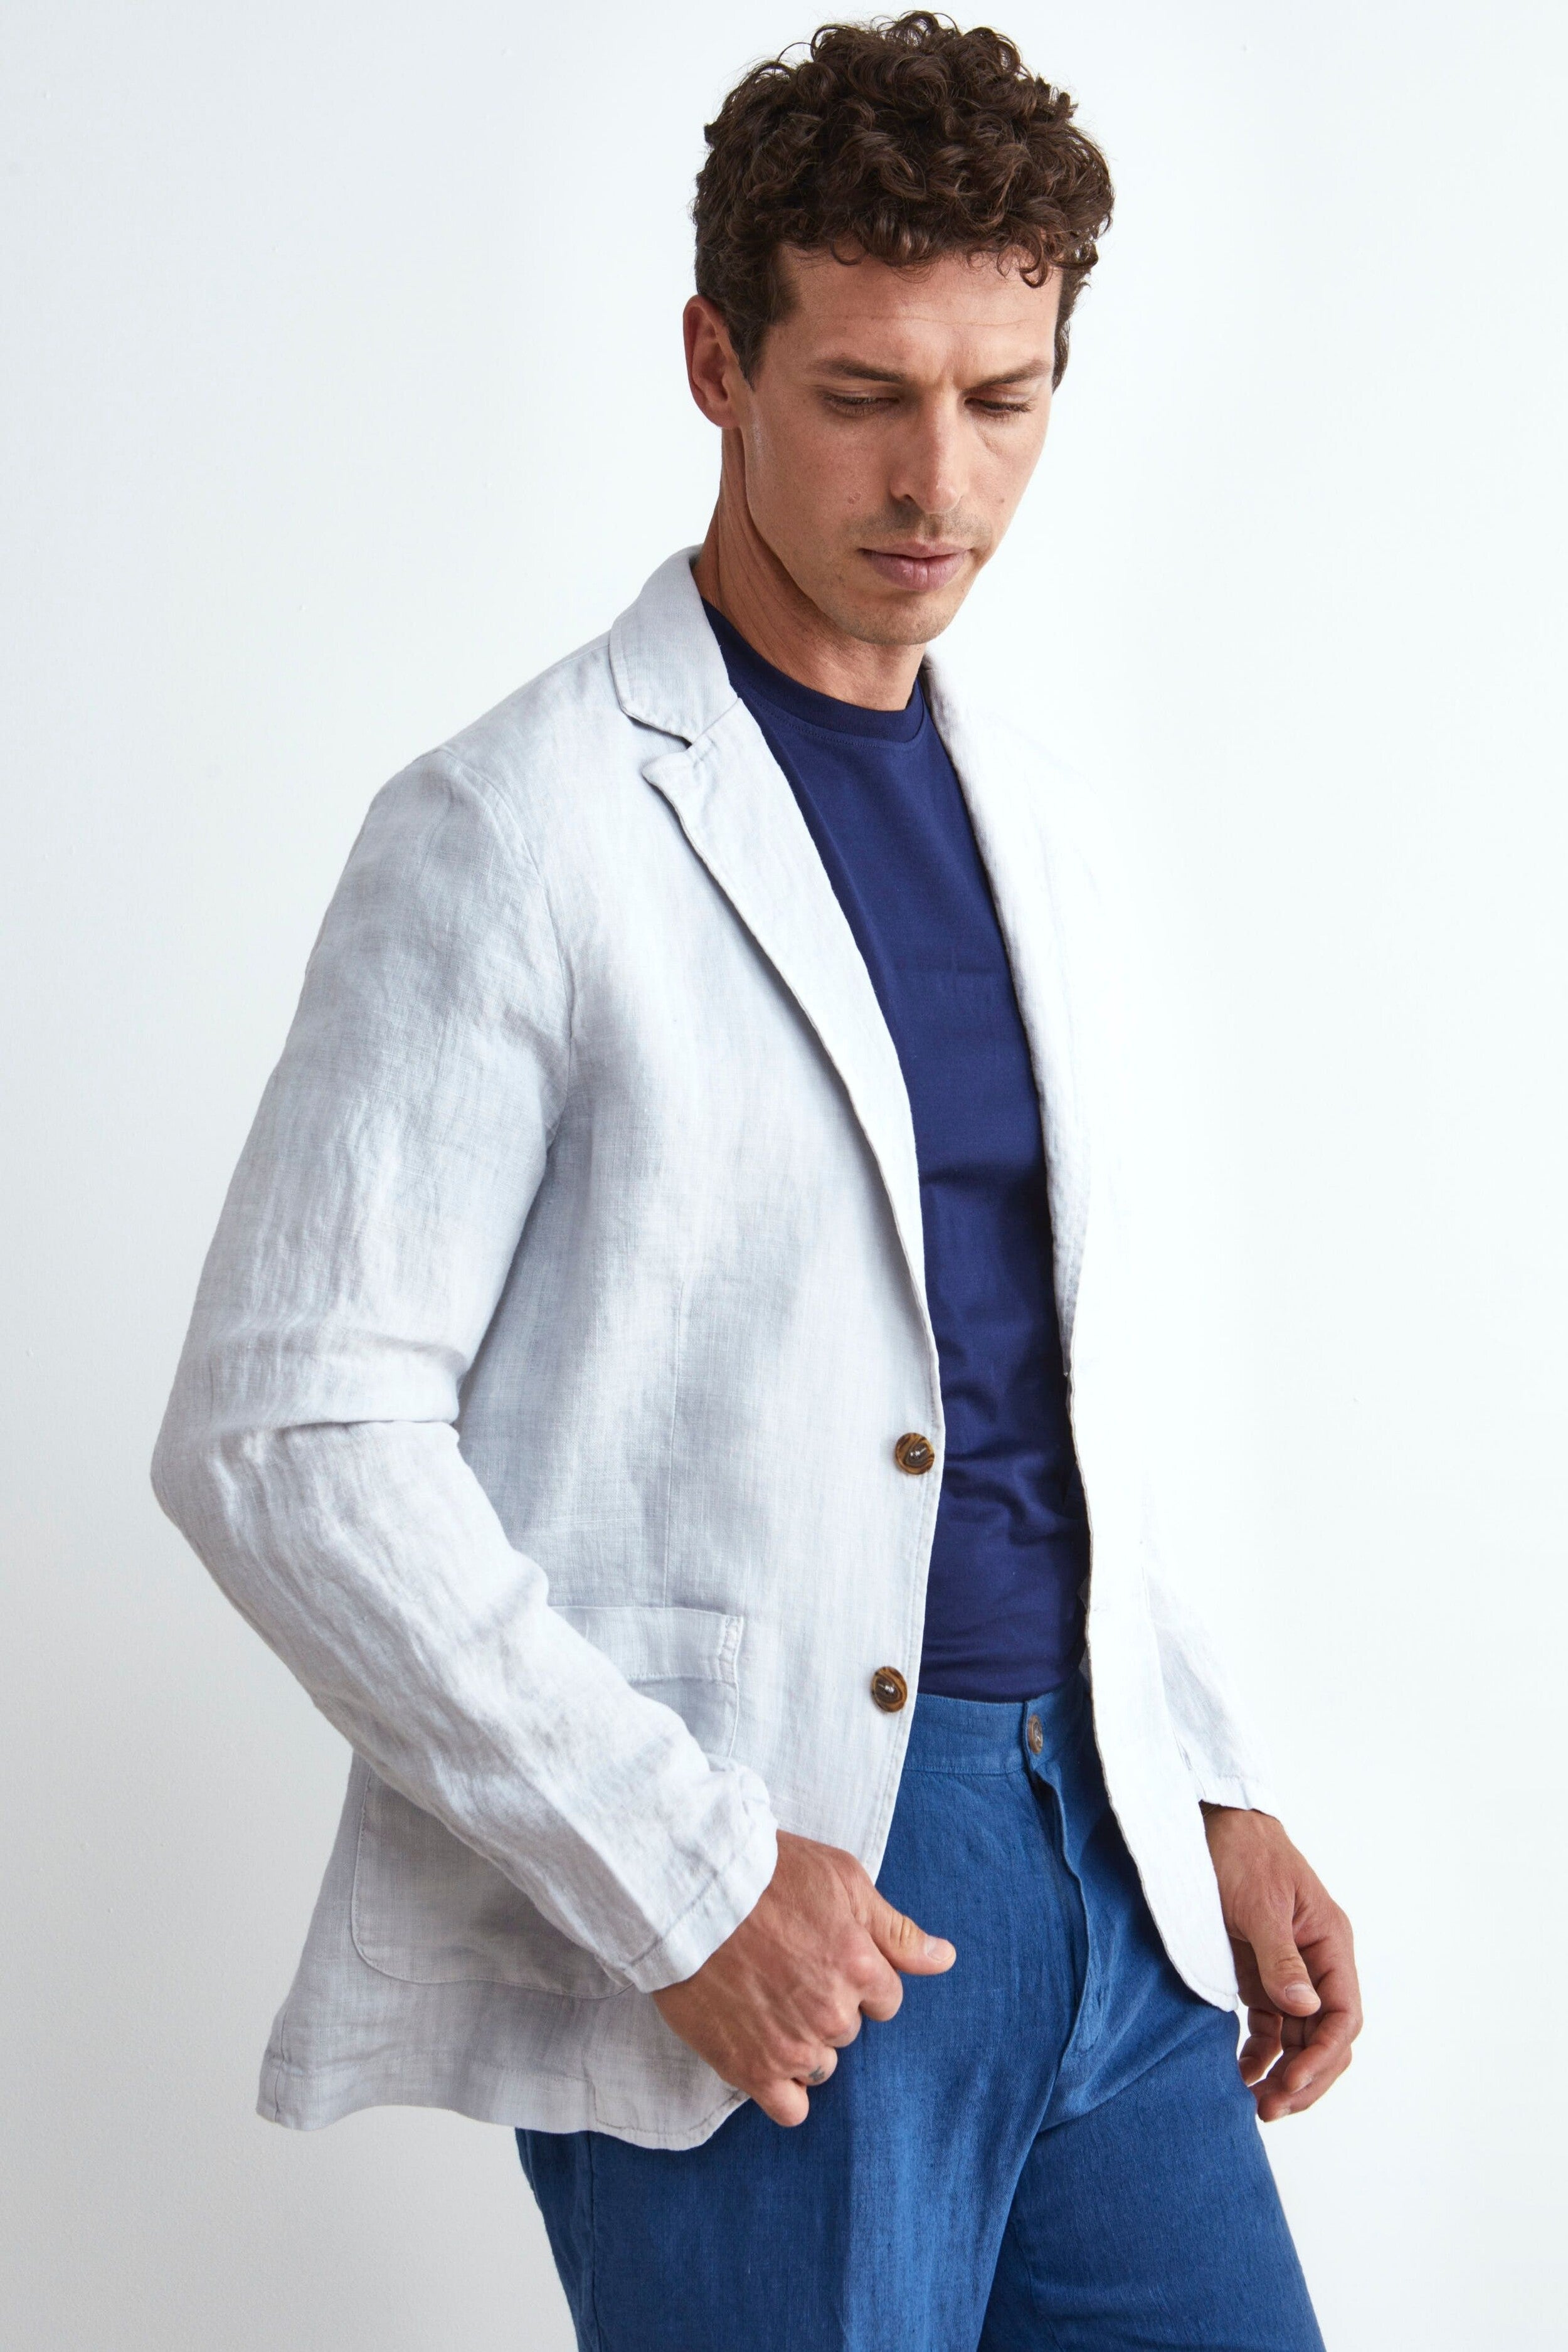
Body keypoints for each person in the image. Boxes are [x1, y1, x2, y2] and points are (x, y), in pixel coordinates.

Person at [153, 14, 1361, 2347]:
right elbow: (285, 1435)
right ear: (716, 362)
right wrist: (681, 1878)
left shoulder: (1031, 815)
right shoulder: (514, 828)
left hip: (1106, 1866)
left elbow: (1018, 1377)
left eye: (1002, 400)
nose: (938, 480)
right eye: (862, 394)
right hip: (791, 1887)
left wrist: (1205, 1781)